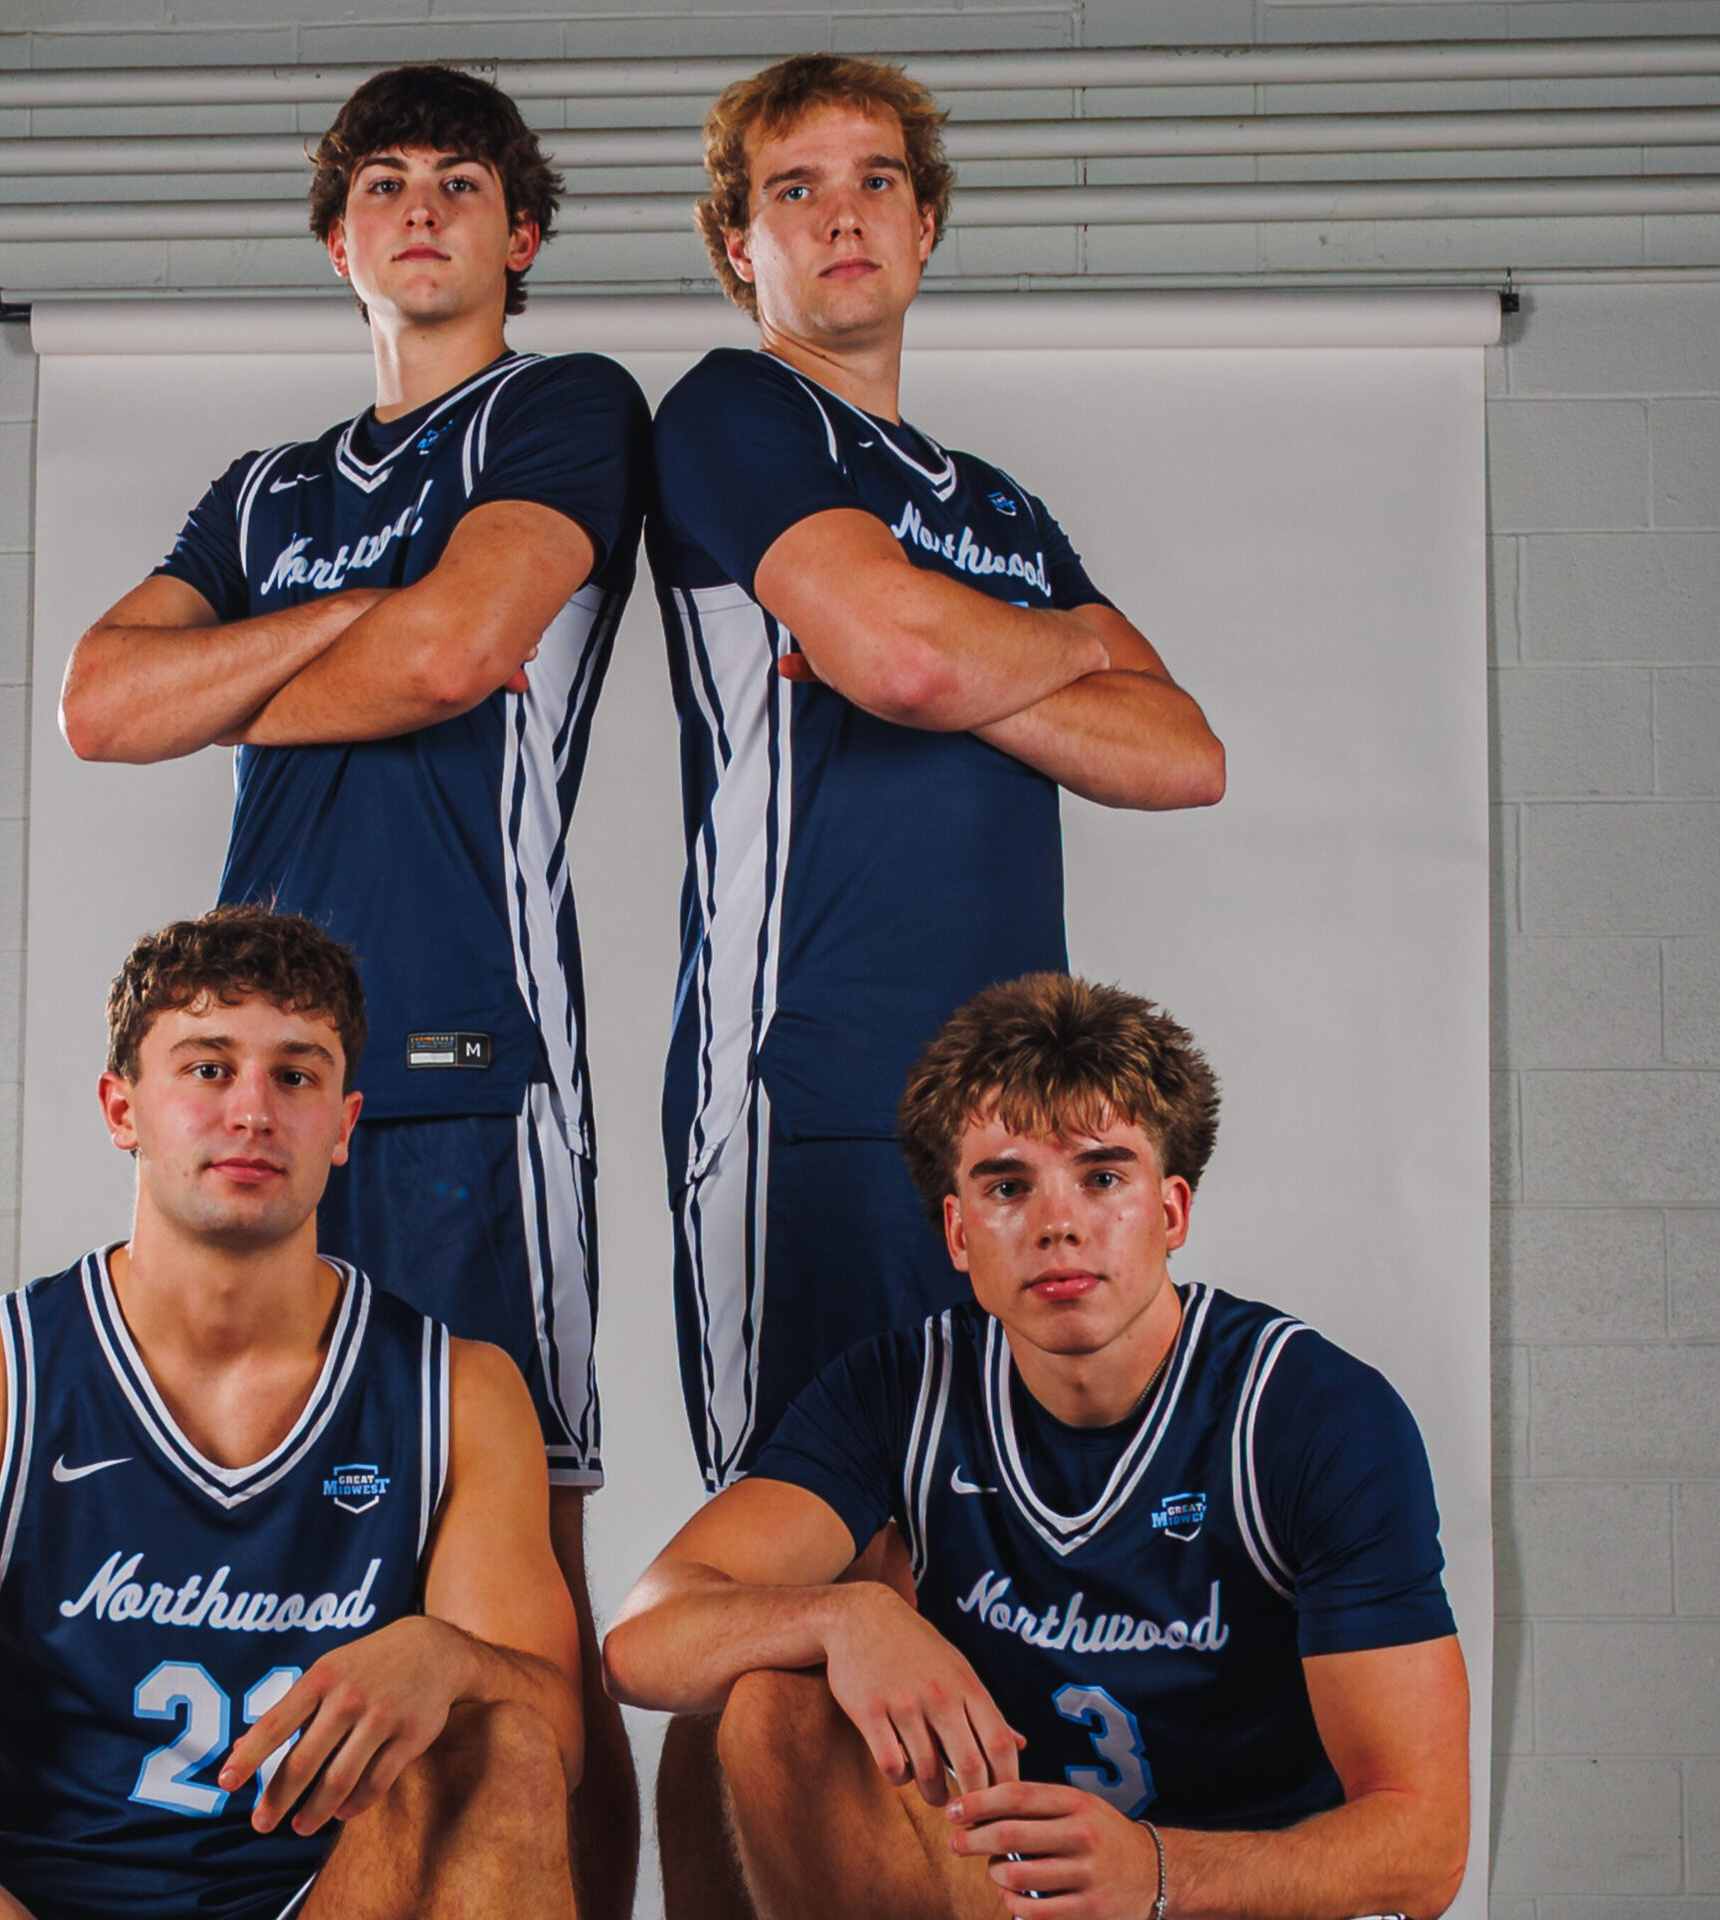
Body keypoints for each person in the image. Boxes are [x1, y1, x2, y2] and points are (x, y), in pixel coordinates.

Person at [59, 65, 650, 1914]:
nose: (417, 211)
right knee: (311, 1551)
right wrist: (358, 623)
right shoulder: (268, 488)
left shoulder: (559, 410)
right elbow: (99, 708)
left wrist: (230, 671)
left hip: (475, 1061)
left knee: (517, 1582)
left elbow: (467, 647)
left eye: (459, 184)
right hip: (264, 1083)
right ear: (338, 240)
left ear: (517, 231)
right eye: (380, 185)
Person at [0, 908, 584, 1920]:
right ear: (122, 1109)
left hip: (319, 1897)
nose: (252, 1111)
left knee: (499, 1736)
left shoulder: (453, 1392)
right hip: (24, 1892)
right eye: (208, 1069)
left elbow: (554, 1743)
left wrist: (451, 1656)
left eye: (295, 1075)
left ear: (342, 1125)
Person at [647, 52, 1228, 1504]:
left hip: (1012, 1114)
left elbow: (1182, 755)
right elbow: (906, 664)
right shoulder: (736, 417)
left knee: (965, 1543)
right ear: (741, 245)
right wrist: (1061, 653)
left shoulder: (999, 509)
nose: (843, 217)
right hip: (810, 1079)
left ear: (923, 227)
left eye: (877, 183)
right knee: (795, 1551)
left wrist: (962, 646)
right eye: (797, 190)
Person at [605, 974, 1469, 1920]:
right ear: (959, 1231)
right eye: (1008, 1186)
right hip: (999, 1893)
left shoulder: (1311, 1413)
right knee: (766, 1698)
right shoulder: (904, 1388)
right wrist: (847, 1617)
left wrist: (1158, 1874)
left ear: (1172, 1211)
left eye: (1103, 1176)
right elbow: (644, 1639)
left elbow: (1422, 1848)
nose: (1058, 1223)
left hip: (1220, 1893)